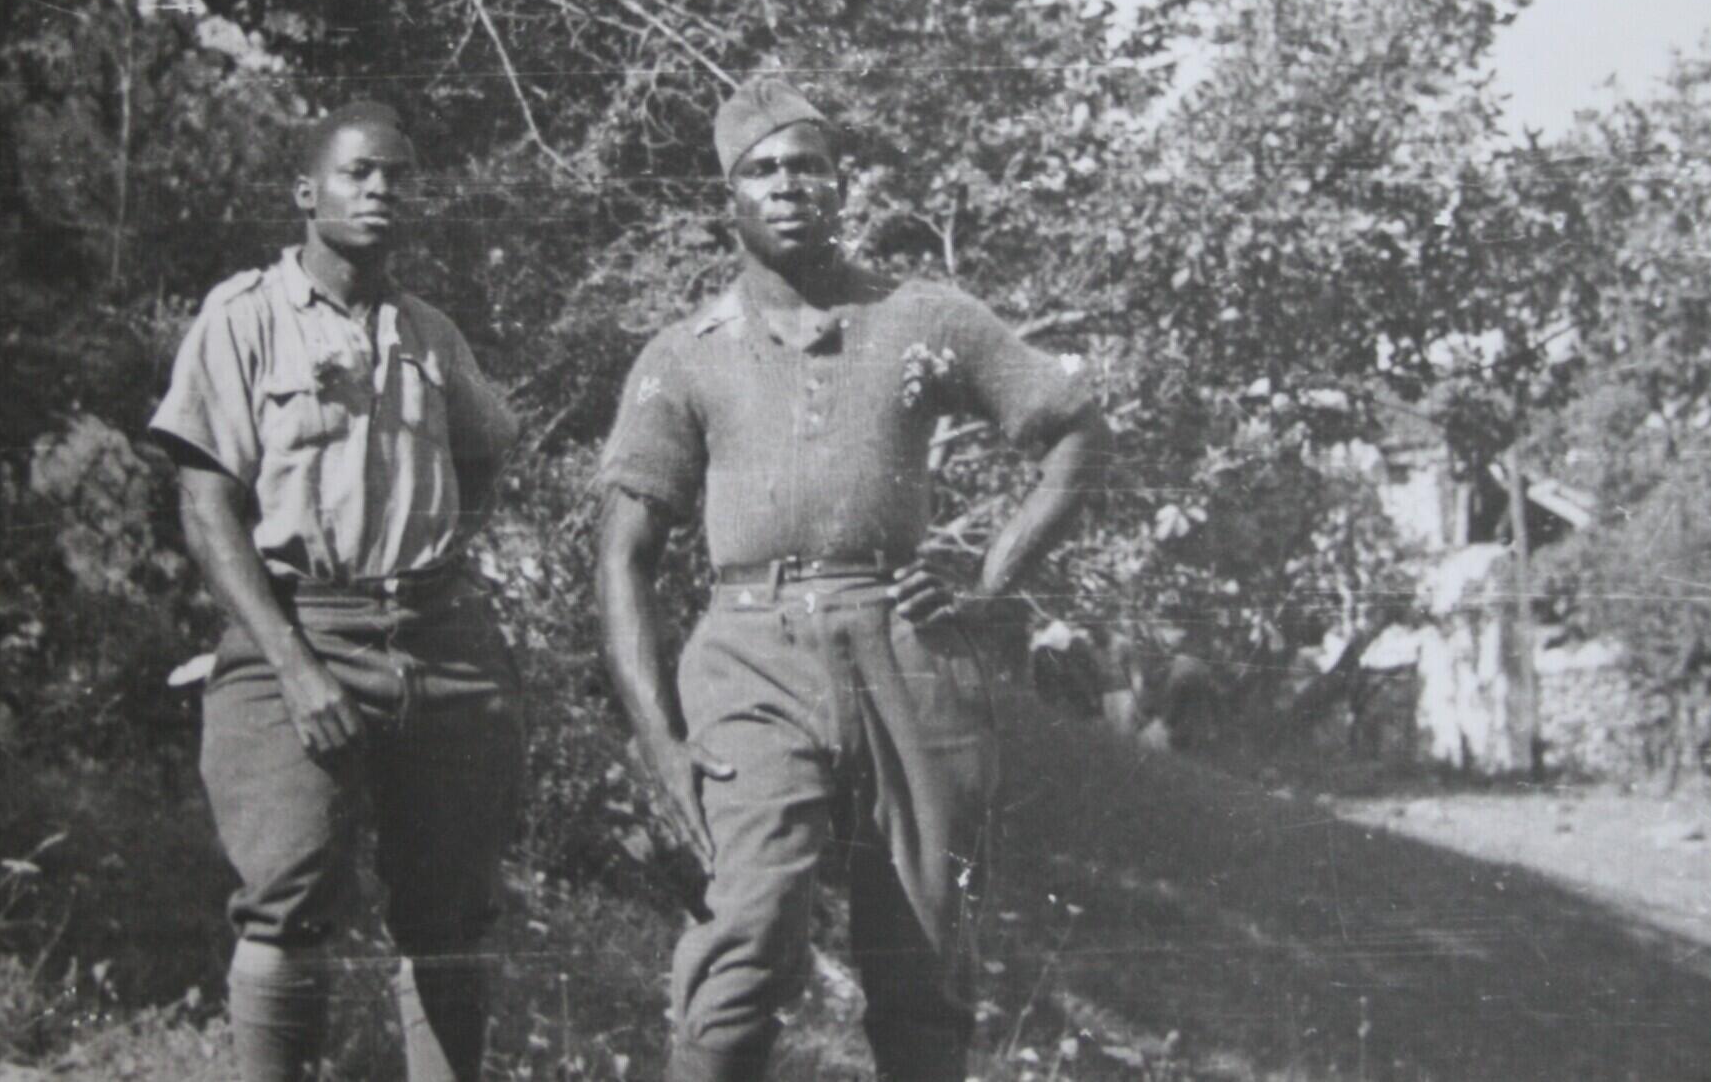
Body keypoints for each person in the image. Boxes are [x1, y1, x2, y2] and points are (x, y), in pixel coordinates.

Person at [596, 77, 1109, 1082]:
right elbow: (623, 555)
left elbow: (1077, 433)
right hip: (749, 653)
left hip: (908, 651)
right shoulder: (683, 356)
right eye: (763, 170)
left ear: (842, 187)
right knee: (740, 943)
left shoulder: (924, 319)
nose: (789, 187)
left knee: (923, 961)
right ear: (729, 200)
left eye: (809, 166)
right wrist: (657, 741)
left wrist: (990, 581)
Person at [149, 100, 522, 1082]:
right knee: (287, 895)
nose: (381, 190)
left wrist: (445, 563)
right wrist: (294, 664)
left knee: (449, 910)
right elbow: (205, 508)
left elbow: (485, 453)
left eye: (397, 175)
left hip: (437, 638)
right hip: (295, 628)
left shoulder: (430, 333)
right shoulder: (244, 320)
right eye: (358, 173)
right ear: (305, 192)